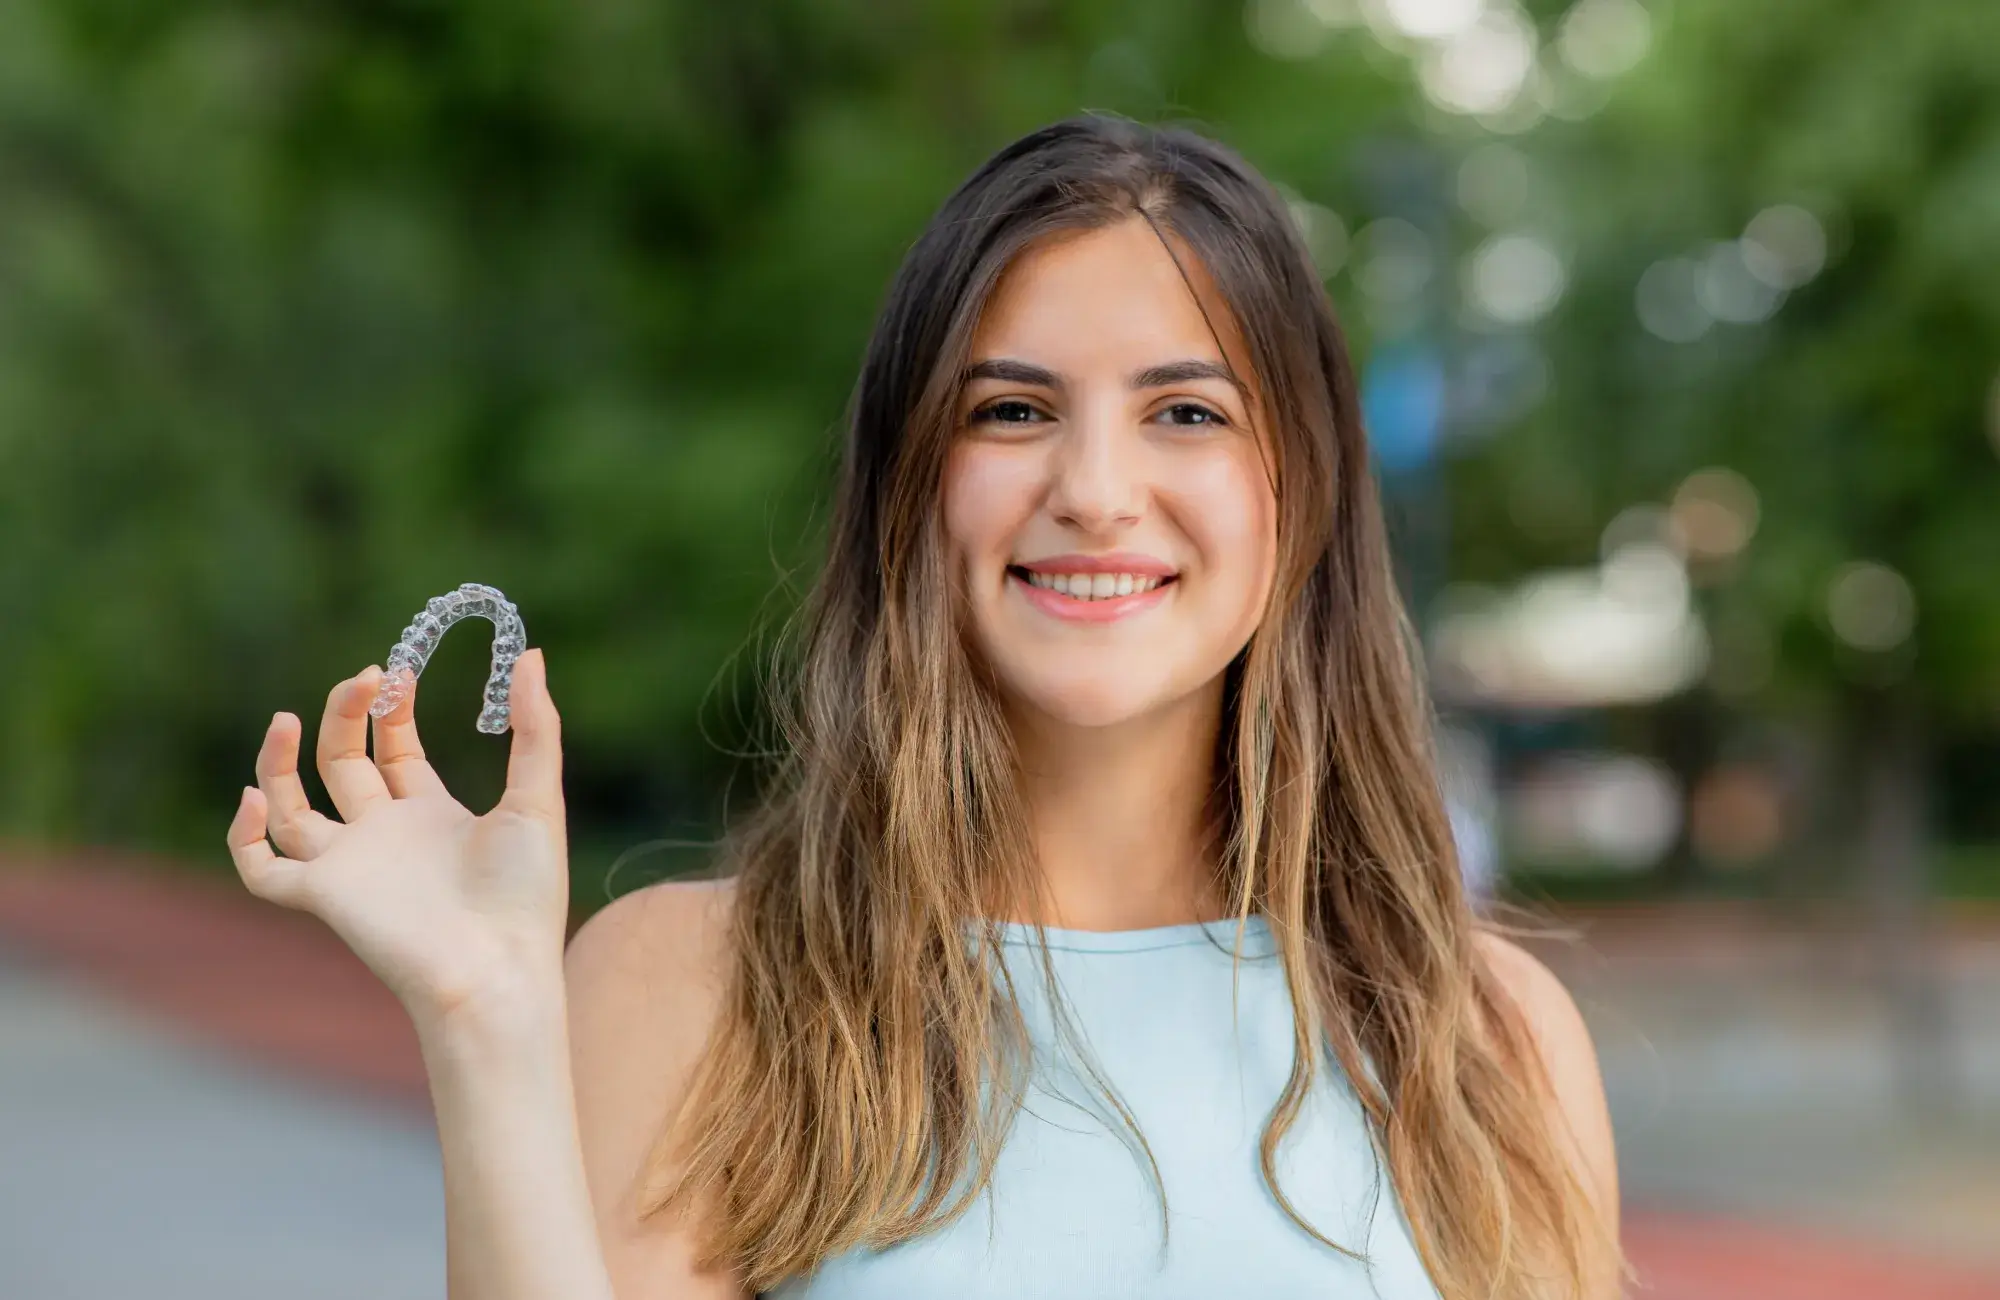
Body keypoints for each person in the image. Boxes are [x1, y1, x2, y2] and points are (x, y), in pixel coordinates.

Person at [226, 114, 1623, 1300]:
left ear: (1299, 492)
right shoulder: (697, 985)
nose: (1091, 488)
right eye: (1011, 411)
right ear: (911, 486)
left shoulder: (1485, 1036)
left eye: (1185, 413)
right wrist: (487, 1015)